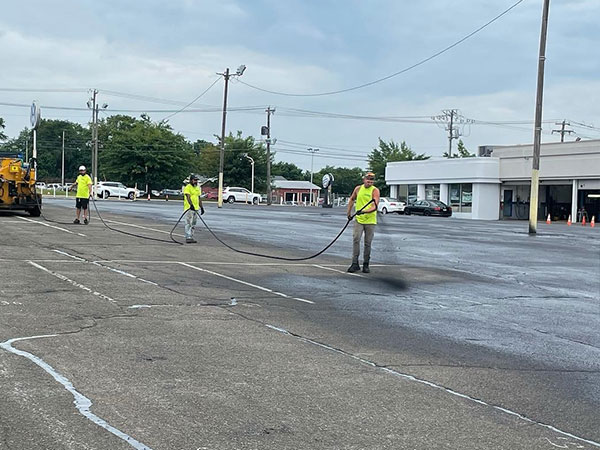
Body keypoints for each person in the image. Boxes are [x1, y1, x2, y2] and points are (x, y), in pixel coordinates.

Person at [346, 172, 380, 273]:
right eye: (368, 180)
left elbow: (375, 205)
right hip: (359, 219)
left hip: (370, 220)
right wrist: (349, 212)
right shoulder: (358, 189)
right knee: (356, 239)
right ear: (364, 180)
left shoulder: (375, 190)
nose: (370, 182)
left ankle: (366, 264)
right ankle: (355, 263)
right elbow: (352, 199)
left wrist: (364, 211)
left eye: (371, 181)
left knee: (367, 243)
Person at [183, 174, 205, 243]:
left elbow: (199, 198)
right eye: (194, 180)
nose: (196, 181)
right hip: (189, 208)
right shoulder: (187, 187)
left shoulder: (197, 188)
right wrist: (191, 205)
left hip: (196, 208)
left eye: (196, 180)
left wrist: (201, 207)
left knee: (193, 223)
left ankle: (191, 236)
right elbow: (188, 197)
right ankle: (188, 236)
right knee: (188, 222)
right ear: (191, 180)